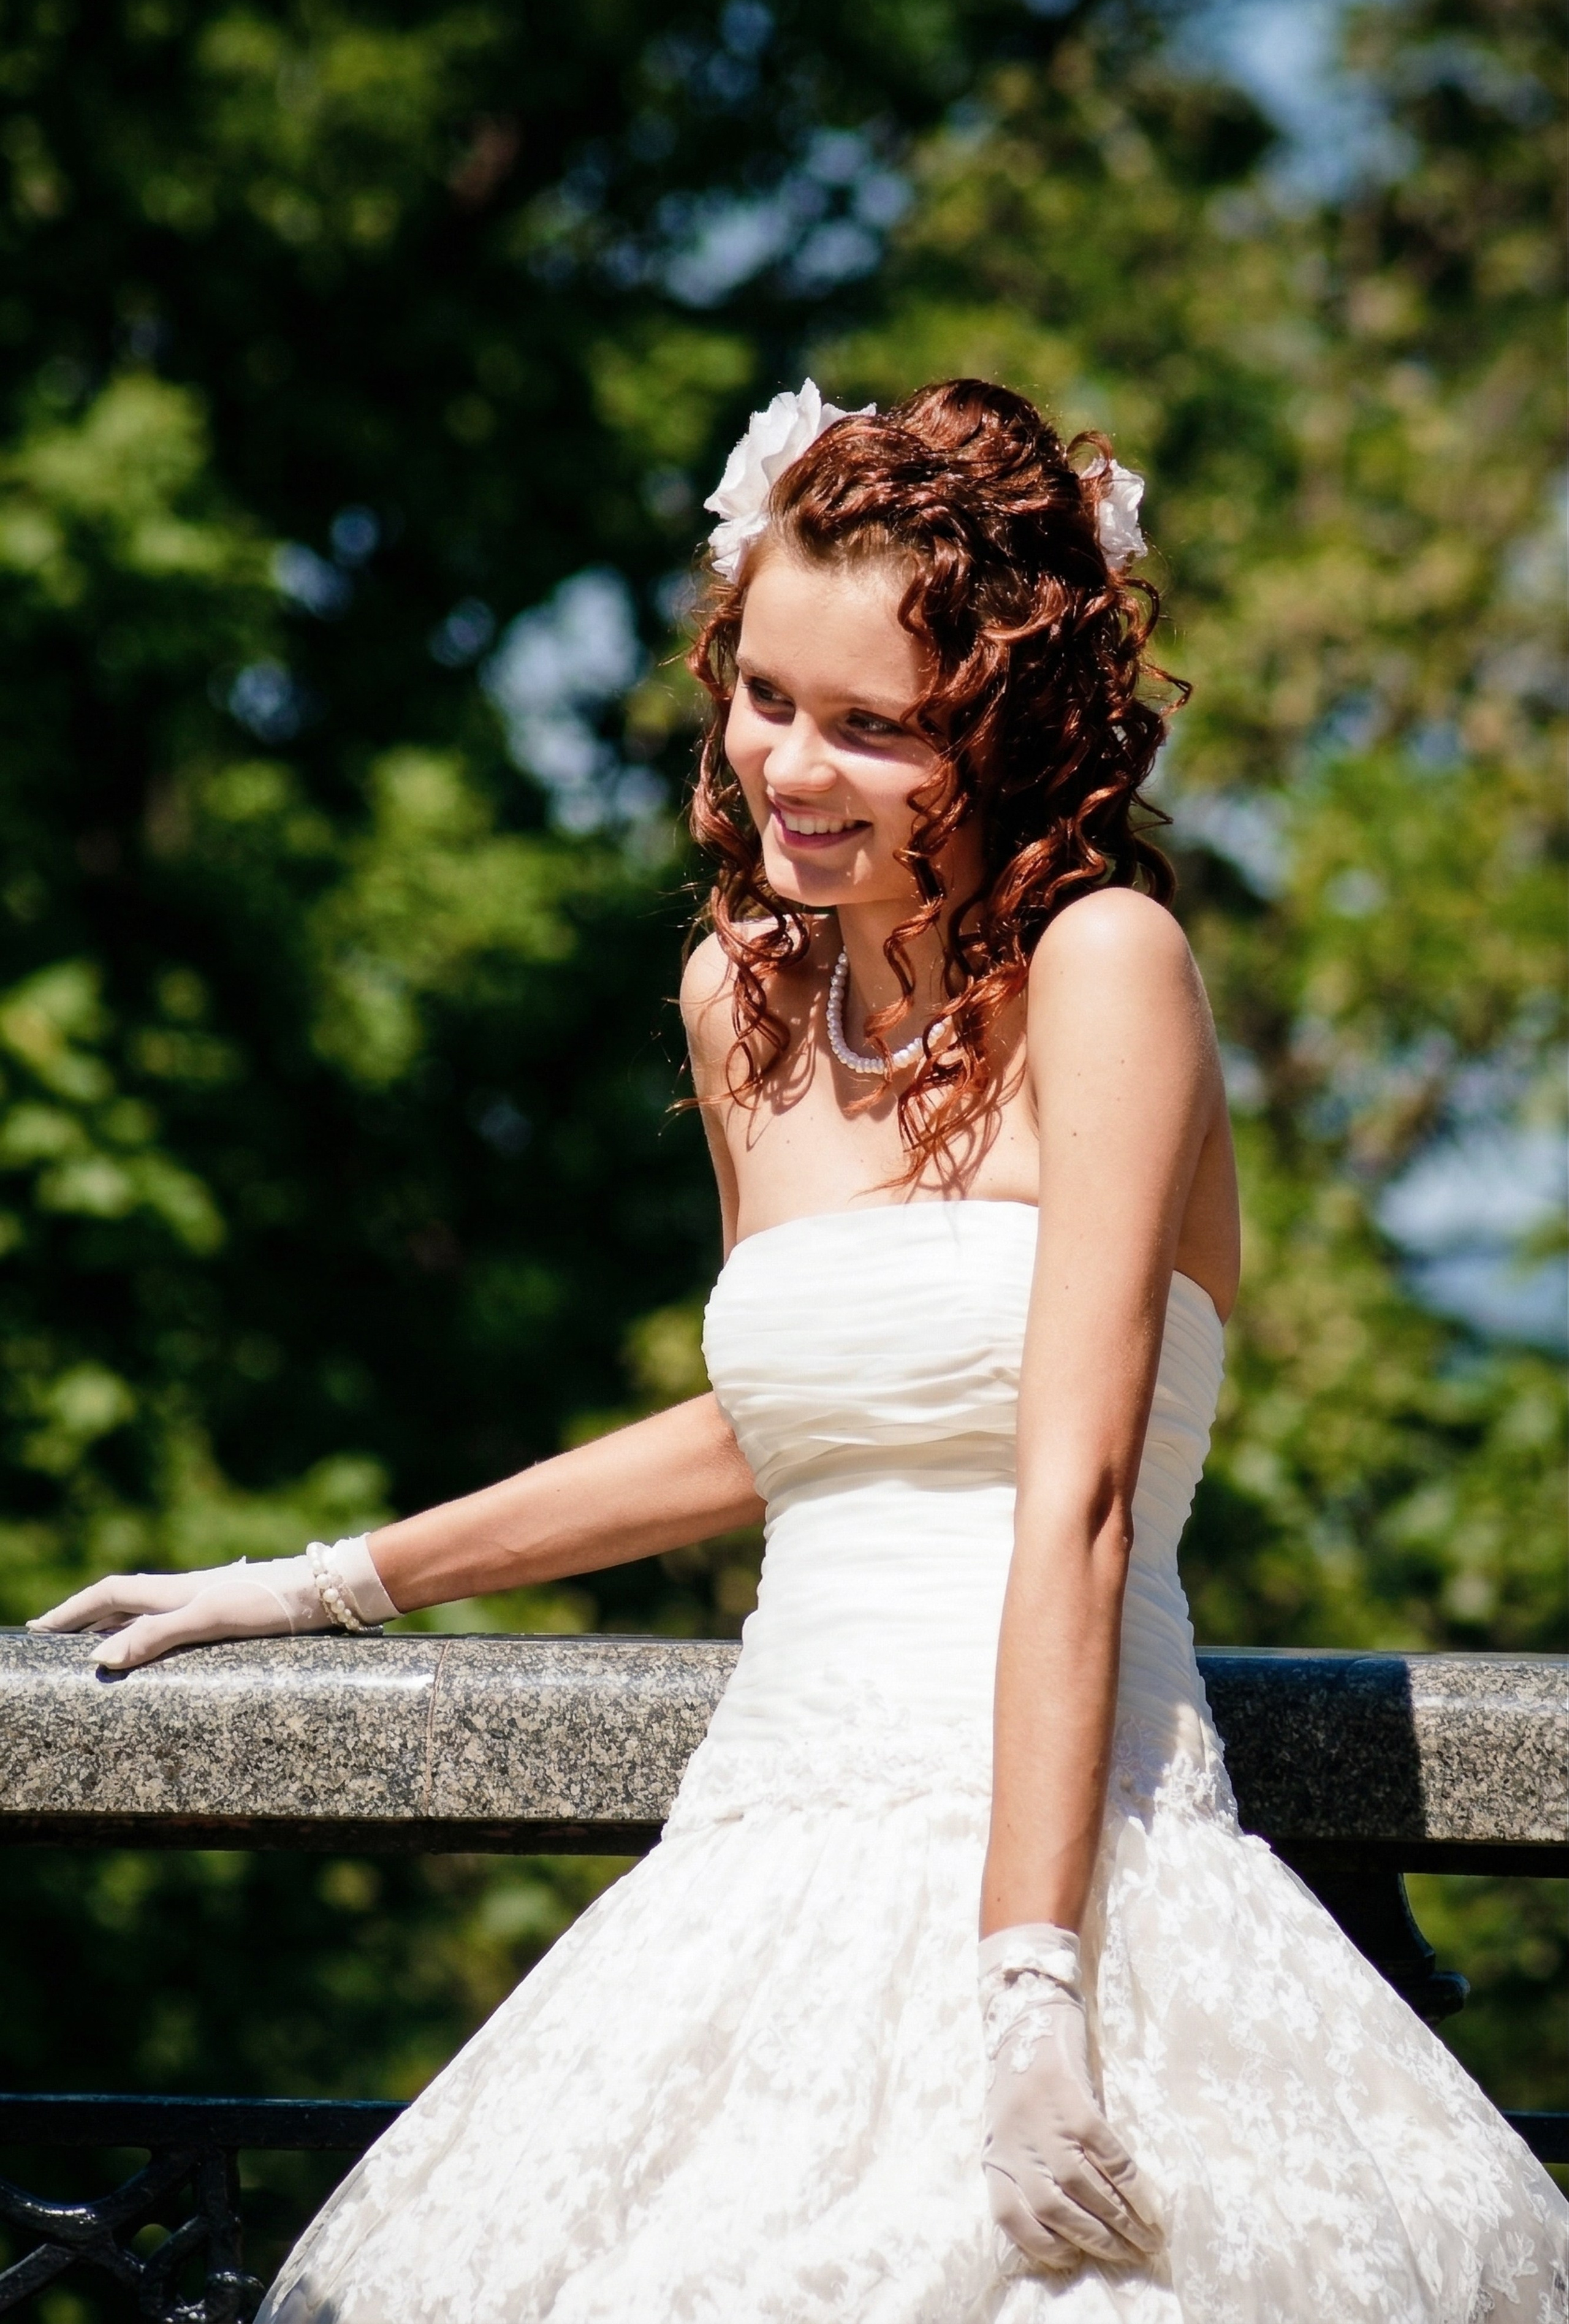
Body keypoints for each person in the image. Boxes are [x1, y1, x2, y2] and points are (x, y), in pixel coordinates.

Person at [34, 379, 1567, 2322]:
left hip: (1069, 1854)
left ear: (1006, 726)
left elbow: (1074, 1495)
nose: (793, 766)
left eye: (876, 727)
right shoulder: (740, 997)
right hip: (759, 1845)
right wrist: (326, 1579)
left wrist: (1028, 1986)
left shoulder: (1110, 966)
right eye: (767, 696)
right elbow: (784, 1423)